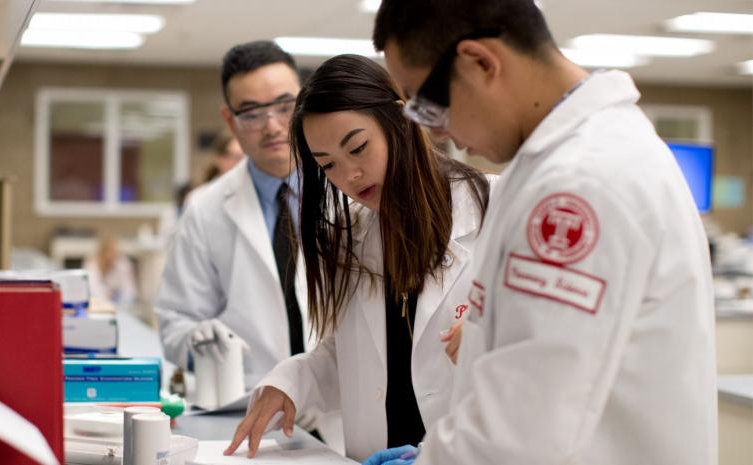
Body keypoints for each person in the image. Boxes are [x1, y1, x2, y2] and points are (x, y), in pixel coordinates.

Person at [364, 1, 718, 464]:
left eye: (427, 104)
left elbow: (523, 430)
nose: (437, 132)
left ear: (480, 63)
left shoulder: (581, 184)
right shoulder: (554, 164)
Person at [224, 54, 491, 461]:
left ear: (401, 120)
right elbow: (349, 358)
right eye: (327, 164)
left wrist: (492, 336)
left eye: (358, 147)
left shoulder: (498, 210)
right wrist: (291, 381)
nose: (348, 175)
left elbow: (554, 351)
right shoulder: (349, 235)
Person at [155, 41, 313, 389]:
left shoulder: (350, 192)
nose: (272, 126)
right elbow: (174, 324)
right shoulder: (203, 209)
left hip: (345, 407)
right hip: (250, 402)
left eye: (285, 106)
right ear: (230, 120)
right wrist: (199, 342)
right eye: (252, 113)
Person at [83, 235, 137, 310]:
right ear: (103, 252)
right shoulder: (92, 266)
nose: (114, 255)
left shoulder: (123, 264)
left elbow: (129, 291)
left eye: (116, 251)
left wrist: (123, 302)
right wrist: (106, 299)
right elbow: (92, 290)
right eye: (110, 251)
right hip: (97, 306)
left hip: (118, 305)